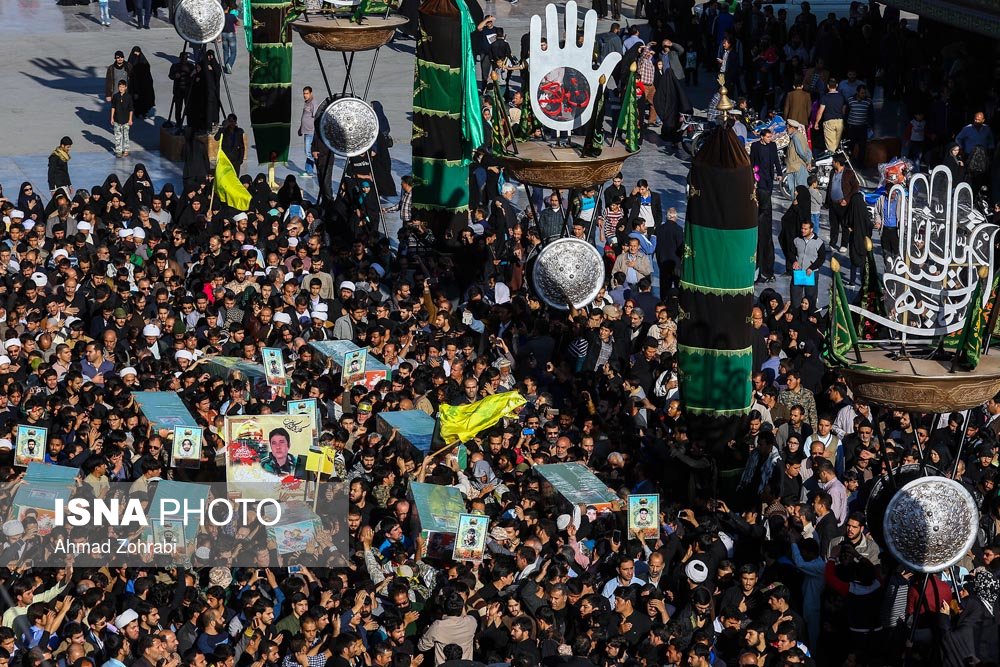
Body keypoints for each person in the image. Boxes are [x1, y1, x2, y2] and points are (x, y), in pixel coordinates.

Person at [751, 129, 781, 283]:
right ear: (762, 137)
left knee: (766, 195)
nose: (770, 138)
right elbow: (752, 160)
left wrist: (779, 173)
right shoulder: (756, 146)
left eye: (771, 136)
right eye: (768, 136)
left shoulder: (772, 146)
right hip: (759, 178)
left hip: (768, 178)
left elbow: (775, 160)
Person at [814, 78, 847, 153]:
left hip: (829, 122)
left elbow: (820, 111)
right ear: (837, 85)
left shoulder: (825, 97)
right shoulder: (842, 96)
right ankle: (837, 158)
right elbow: (844, 111)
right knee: (837, 145)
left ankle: (832, 158)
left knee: (831, 147)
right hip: (840, 122)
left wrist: (816, 122)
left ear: (828, 86)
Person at [127, 46, 155, 120]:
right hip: (134, 83)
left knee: (144, 98)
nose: (136, 54)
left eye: (138, 52)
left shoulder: (144, 61)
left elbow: (147, 70)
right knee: (135, 98)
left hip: (144, 83)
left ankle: (144, 112)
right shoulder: (130, 61)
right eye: (135, 52)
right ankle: (137, 112)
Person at [168, 52, 195, 127]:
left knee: (188, 107)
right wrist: (175, 76)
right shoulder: (175, 66)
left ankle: (189, 122)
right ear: (180, 58)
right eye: (183, 59)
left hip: (187, 90)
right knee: (178, 108)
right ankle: (178, 122)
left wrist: (189, 71)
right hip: (178, 90)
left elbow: (194, 76)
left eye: (186, 59)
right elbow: (170, 75)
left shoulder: (190, 66)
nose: (184, 60)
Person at [110, 80, 134, 158]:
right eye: (120, 87)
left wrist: (130, 119)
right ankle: (118, 151)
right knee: (117, 136)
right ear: (118, 87)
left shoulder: (128, 97)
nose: (121, 88)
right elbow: (113, 107)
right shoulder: (115, 96)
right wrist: (112, 118)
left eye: (123, 87)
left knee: (125, 136)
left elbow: (131, 109)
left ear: (125, 87)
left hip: (126, 120)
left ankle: (126, 150)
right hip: (117, 119)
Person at [298, 86, 316, 177]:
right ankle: (309, 171)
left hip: (311, 132)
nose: (305, 95)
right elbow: (305, 116)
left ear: (311, 93)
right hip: (306, 131)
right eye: (304, 93)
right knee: (308, 152)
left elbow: (316, 117)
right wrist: (300, 129)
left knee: (308, 152)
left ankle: (320, 166)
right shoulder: (307, 103)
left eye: (307, 93)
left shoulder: (313, 103)